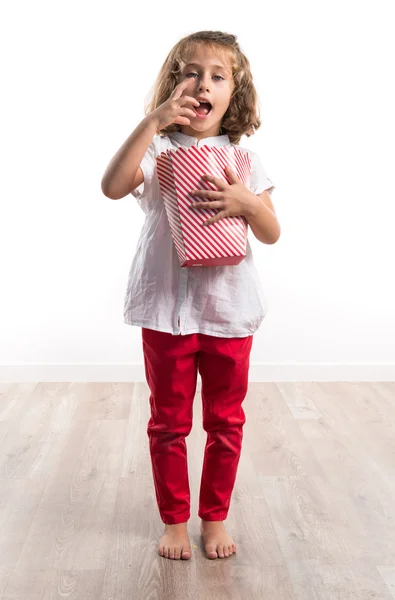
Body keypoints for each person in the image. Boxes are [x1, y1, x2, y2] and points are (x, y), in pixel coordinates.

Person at [101, 30, 280, 561]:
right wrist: (151, 122)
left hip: (228, 312)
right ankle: (174, 521)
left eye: (217, 76)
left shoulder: (244, 160)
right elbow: (112, 186)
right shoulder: (157, 151)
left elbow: (271, 232)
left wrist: (246, 202)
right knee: (169, 423)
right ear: (171, 84)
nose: (202, 83)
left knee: (226, 421)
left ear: (234, 92)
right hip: (165, 312)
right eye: (190, 71)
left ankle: (215, 517)